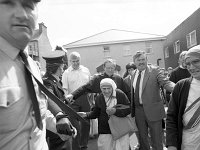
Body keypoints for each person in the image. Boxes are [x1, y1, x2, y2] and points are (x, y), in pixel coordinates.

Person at [0, 0, 73, 149]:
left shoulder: (31, 65)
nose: (22, 14)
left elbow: (35, 110)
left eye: (28, 5)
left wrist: (56, 123)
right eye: (8, 3)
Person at [131, 51, 175, 150]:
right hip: (139, 111)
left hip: (153, 110)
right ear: (134, 62)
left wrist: (178, 88)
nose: (141, 62)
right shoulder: (133, 73)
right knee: (142, 139)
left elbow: (165, 82)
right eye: (138, 60)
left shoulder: (155, 70)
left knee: (157, 140)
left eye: (143, 59)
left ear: (147, 60)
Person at [78, 78, 131, 150]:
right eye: (104, 89)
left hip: (120, 128)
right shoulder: (100, 97)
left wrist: (115, 111)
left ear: (112, 87)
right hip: (105, 129)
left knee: (121, 147)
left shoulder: (120, 94)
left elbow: (128, 109)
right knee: (104, 147)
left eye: (108, 88)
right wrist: (86, 114)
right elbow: (96, 113)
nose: (106, 91)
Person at [166, 45, 200, 150]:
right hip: (188, 143)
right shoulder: (181, 86)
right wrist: (172, 144)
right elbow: (171, 117)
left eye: (196, 62)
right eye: (188, 64)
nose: (191, 67)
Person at [43, 53, 77, 150]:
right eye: (62, 68)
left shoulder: (55, 80)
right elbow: (49, 97)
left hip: (61, 124)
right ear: (58, 68)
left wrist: (64, 101)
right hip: (57, 127)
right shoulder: (47, 82)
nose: (63, 70)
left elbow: (57, 97)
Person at [65, 58, 131, 104]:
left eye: (112, 68)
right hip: (102, 108)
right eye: (108, 68)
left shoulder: (119, 78)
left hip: (117, 108)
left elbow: (127, 92)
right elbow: (85, 87)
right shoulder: (97, 78)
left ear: (115, 67)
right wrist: (72, 95)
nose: (110, 70)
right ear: (104, 68)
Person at [62, 52, 91, 150]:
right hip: (72, 101)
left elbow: (90, 85)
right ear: (70, 61)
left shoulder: (86, 70)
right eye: (73, 61)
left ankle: (84, 145)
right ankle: (76, 146)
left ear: (80, 60)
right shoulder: (66, 73)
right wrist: (67, 100)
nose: (75, 63)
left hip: (85, 99)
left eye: (77, 61)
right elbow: (65, 89)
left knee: (86, 123)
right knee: (74, 125)